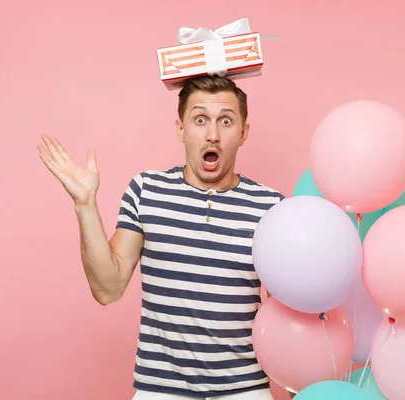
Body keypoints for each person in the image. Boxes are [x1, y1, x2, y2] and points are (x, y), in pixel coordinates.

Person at [38, 76, 291, 400]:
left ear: (243, 133)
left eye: (225, 121)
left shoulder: (272, 207)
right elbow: (108, 289)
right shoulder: (146, 191)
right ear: (180, 129)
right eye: (200, 120)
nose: (212, 134)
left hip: (245, 390)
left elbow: (290, 313)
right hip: (160, 391)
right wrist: (85, 205)